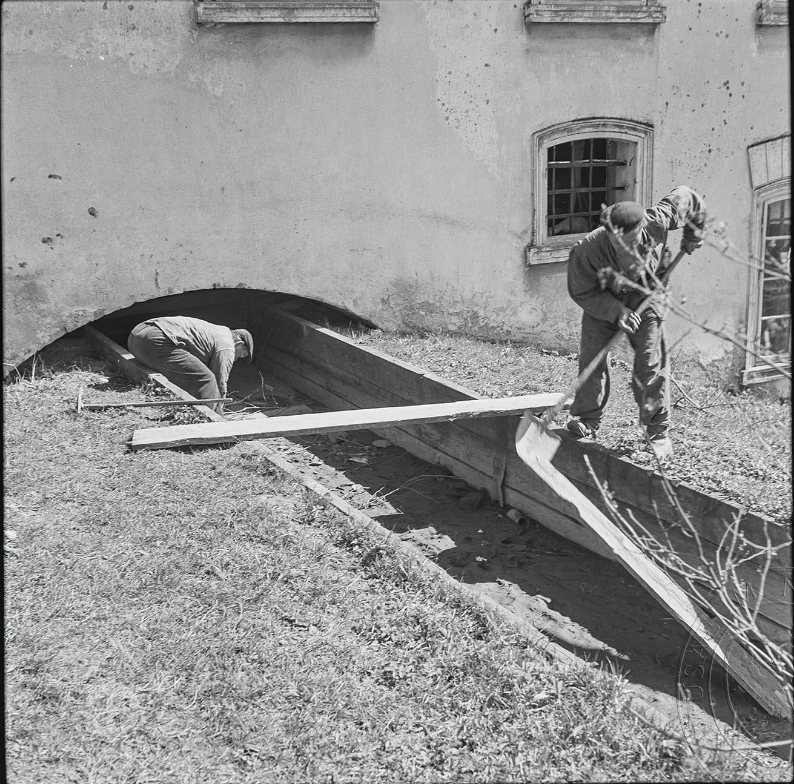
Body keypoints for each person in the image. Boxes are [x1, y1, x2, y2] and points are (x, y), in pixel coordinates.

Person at [565, 186, 707, 459]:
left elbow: (690, 196)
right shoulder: (586, 250)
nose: (628, 249)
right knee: (592, 358)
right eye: (619, 244)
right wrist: (615, 311)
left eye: (632, 241)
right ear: (609, 233)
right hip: (604, 300)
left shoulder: (658, 220)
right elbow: (581, 291)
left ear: (641, 227)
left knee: (649, 363)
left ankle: (657, 431)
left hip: (647, 295)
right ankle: (587, 420)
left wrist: (694, 234)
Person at [127, 316, 254, 412]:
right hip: (155, 339)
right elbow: (220, 379)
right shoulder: (227, 345)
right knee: (206, 379)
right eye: (241, 355)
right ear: (239, 343)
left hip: (136, 337)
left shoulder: (217, 331)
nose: (236, 358)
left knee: (191, 371)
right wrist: (219, 410)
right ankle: (208, 420)